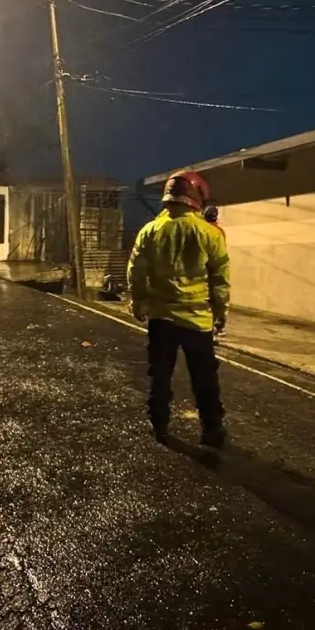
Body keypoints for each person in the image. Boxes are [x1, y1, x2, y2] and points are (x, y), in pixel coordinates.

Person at [127, 170, 231, 447]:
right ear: (196, 197)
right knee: (204, 376)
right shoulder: (210, 233)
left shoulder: (149, 231)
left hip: (161, 318)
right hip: (197, 320)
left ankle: (159, 423)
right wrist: (221, 311)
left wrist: (138, 301)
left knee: (160, 373)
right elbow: (219, 278)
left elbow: (136, 271)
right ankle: (212, 429)